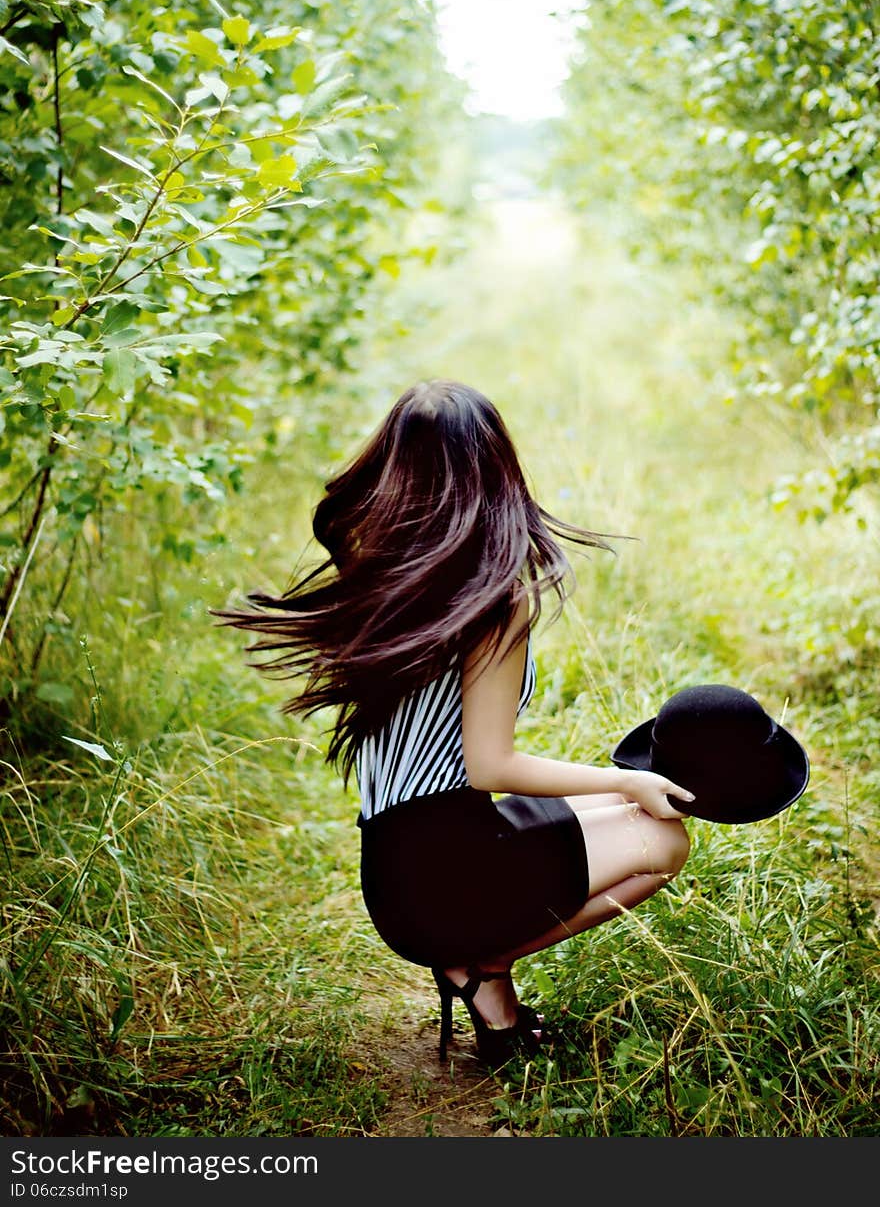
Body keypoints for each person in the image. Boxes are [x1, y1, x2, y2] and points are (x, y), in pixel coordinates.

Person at [214, 378, 694, 1068]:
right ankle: (482, 966)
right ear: (496, 468)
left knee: (614, 799)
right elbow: (491, 767)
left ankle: (481, 976)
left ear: (395, 468)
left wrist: (619, 786)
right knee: (664, 841)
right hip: (450, 886)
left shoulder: (373, 568)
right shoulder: (496, 602)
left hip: (396, 877)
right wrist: (633, 784)